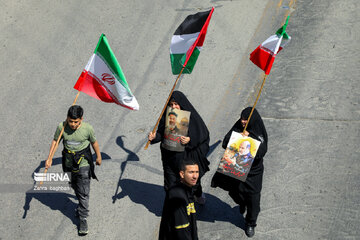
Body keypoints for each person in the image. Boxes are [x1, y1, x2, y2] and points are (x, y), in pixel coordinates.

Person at [211, 107, 268, 238]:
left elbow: (262, 152)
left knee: (253, 200)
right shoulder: (238, 127)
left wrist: (249, 139)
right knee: (238, 194)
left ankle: (251, 223)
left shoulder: (258, 131)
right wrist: (236, 138)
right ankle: (242, 203)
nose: (242, 121)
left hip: (253, 174)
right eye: (242, 118)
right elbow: (225, 142)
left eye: (246, 119)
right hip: (236, 170)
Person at [45, 105, 101, 235]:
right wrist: (49, 158)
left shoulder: (88, 129)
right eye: (70, 121)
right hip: (68, 162)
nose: (73, 124)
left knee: (84, 191)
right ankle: (81, 204)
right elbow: (55, 142)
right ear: (67, 118)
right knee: (73, 185)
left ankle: (83, 217)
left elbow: (94, 143)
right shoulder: (62, 127)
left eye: (76, 122)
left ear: (81, 119)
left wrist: (98, 156)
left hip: (83, 162)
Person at [148, 91, 210, 203]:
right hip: (169, 157)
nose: (174, 107)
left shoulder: (191, 117)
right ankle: (176, 208)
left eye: (176, 104)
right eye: (171, 105)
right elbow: (162, 133)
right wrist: (154, 137)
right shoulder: (168, 116)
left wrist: (189, 139)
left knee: (189, 182)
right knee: (170, 183)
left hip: (186, 157)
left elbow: (202, 135)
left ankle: (197, 194)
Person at [159, 158, 199, 240]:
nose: (195, 176)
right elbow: (181, 230)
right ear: (182, 174)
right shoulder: (178, 196)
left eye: (197, 172)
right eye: (191, 172)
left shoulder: (187, 189)